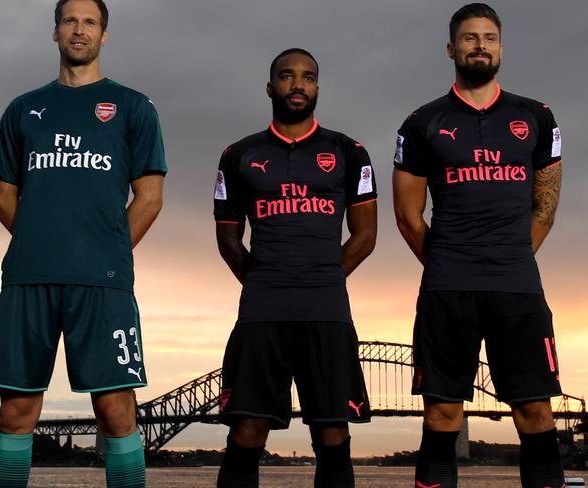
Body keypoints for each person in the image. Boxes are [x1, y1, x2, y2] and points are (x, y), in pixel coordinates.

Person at [0, 1, 167, 486]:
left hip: (102, 282)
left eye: (90, 22)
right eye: (69, 21)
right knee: (16, 411)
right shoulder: (21, 110)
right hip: (28, 278)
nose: (79, 30)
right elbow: (3, 198)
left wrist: (104, 251)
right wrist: (46, 240)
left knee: (117, 412)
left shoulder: (133, 106)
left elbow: (149, 197)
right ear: (55, 31)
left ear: (104, 35)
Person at [392, 3, 564, 487]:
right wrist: (452, 262)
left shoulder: (536, 117)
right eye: (469, 38)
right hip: (447, 289)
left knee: (535, 412)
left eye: (489, 37)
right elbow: (408, 217)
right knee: (442, 415)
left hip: (518, 287)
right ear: (451, 48)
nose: (480, 45)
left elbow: (545, 208)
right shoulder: (422, 122)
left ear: (501, 47)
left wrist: (505, 257)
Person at [213, 48, 377, 488]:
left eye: (308, 77)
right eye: (287, 76)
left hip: (327, 309)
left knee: (332, 432)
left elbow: (365, 238)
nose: (298, 84)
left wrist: (322, 275)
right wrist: (266, 279)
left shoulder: (350, 152)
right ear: (271, 87)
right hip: (261, 311)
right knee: (247, 431)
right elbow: (228, 238)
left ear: (318, 87)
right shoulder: (238, 154)